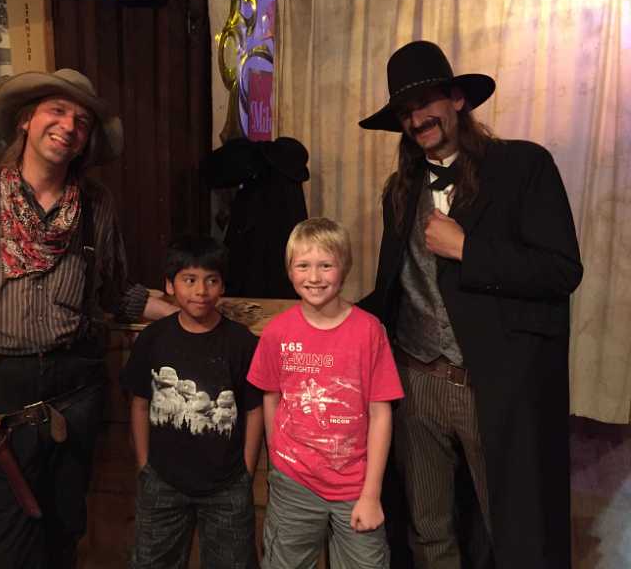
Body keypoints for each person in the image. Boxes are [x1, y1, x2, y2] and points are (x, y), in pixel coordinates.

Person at [0, 68, 177, 569]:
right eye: (57, 111)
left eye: (82, 120)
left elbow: (115, 292)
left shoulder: (96, 205)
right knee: (12, 543)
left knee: (66, 532)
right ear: (25, 120)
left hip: (76, 391)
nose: (69, 126)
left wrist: (184, 310)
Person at [357, 40, 583, 569]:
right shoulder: (399, 190)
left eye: (426, 103)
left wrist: (468, 249)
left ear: (457, 99)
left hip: (491, 385)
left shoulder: (524, 166)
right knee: (428, 528)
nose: (417, 119)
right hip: (415, 381)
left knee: (512, 528)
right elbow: (395, 287)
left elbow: (561, 271)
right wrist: (325, 316)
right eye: (405, 112)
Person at [247, 218, 404, 569]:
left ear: (344, 268)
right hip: (293, 484)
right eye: (303, 265)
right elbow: (271, 397)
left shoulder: (369, 331)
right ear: (289, 270)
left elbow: (381, 412)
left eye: (326, 265)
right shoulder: (276, 332)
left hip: (356, 485)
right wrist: (278, 464)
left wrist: (372, 493)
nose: (314, 277)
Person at [121, 235, 264, 569]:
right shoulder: (153, 339)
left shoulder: (241, 342)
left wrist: (246, 470)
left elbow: (254, 409)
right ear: (169, 285)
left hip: (227, 485)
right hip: (162, 481)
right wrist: (144, 465)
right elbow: (139, 403)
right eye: (189, 280)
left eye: (211, 280)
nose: (201, 290)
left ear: (223, 285)